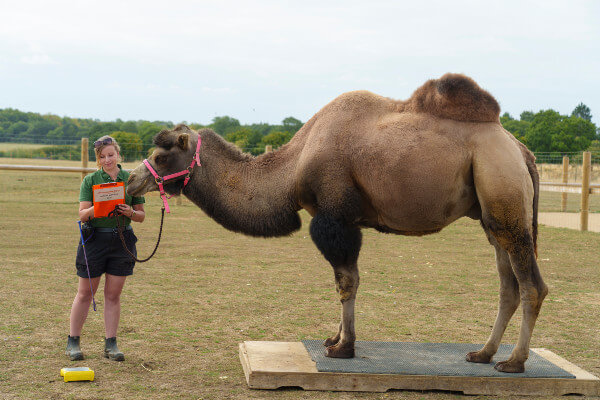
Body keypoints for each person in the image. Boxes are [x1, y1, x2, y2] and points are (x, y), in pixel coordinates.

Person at [66, 135, 145, 361]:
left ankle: (111, 344)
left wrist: (129, 212)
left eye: (111, 155)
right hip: (94, 241)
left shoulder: (131, 178)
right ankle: (73, 342)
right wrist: (99, 206)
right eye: (103, 157)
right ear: (98, 159)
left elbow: (141, 216)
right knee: (85, 293)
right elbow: (82, 215)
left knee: (113, 295)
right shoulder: (90, 180)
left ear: (118, 154)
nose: (107, 159)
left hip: (122, 241)